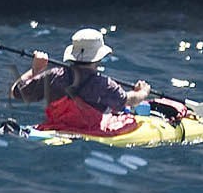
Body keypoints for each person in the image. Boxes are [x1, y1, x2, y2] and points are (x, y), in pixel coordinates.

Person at [11, 28, 152, 131]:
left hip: (55, 128)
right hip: (88, 132)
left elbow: (15, 92)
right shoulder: (104, 85)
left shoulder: (53, 75)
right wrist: (143, 92)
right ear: (99, 57)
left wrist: (36, 70)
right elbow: (128, 100)